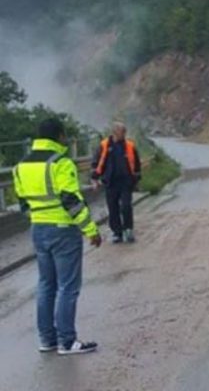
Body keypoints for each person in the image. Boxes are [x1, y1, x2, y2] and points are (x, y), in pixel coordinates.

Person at [13, 118, 102, 355]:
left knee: (45, 285)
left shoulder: (21, 165)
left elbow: (23, 201)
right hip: (63, 229)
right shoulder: (60, 163)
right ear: (60, 136)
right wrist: (90, 230)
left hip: (38, 228)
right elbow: (71, 201)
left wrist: (39, 215)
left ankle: (47, 340)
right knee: (68, 286)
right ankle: (67, 341)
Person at [91, 122, 141, 244]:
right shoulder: (104, 146)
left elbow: (137, 164)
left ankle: (128, 229)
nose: (123, 134)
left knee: (126, 206)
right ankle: (117, 232)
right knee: (112, 208)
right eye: (121, 132)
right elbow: (97, 163)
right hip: (110, 182)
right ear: (114, 132)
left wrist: (137, 179)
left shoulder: (130, 146)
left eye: (124, 132)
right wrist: (94, 179)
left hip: (126, 182)